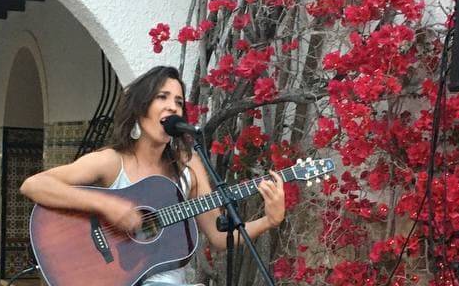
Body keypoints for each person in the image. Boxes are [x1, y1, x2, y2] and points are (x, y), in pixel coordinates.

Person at [20, 65, 286, 286]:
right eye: (163, 97)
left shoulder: (189, 165)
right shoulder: (113, 161)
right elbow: (35, 185)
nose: (173, 107)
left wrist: (268, 221)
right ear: (140, 108)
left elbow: (218, 237)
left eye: (179, 102)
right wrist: (107, 205)